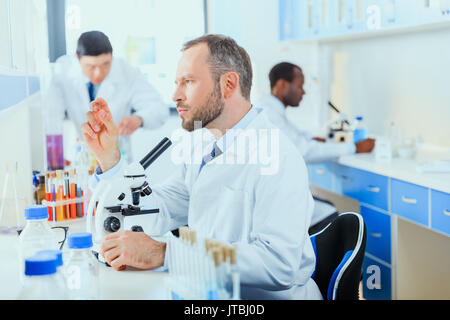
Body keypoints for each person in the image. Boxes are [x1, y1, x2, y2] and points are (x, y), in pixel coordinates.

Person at [82, 35, 322, 300]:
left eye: (188, 82)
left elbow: (278, 264)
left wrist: (164, 253)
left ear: (228, 84)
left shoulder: (277, 156)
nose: (175, 95)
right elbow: (158, 208)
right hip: (211, 292)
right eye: (177, 83)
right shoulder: (204, 145)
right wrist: (110, 159)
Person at [258, 62, 375, 234]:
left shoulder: (268, 109)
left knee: (327, 207)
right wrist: (353, 148)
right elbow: (302, 150)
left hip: (277, 195)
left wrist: (314, 138)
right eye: (300, 86)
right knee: (330, 215)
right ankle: (324, 261)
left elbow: (295, 135)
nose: (303, 91)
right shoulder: (270, 114)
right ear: (283, 85)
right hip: (278, 202)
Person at [44, 30, 169, 162]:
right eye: (90, 66)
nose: (98, 73)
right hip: (81, 155)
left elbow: (159, 109)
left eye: (106, 64)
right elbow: (51, 115)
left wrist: (139, 119)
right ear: (77, 58)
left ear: (112, 57)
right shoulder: (63, 72)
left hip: (117, 156)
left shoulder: (126, 72)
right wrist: (55, 156)